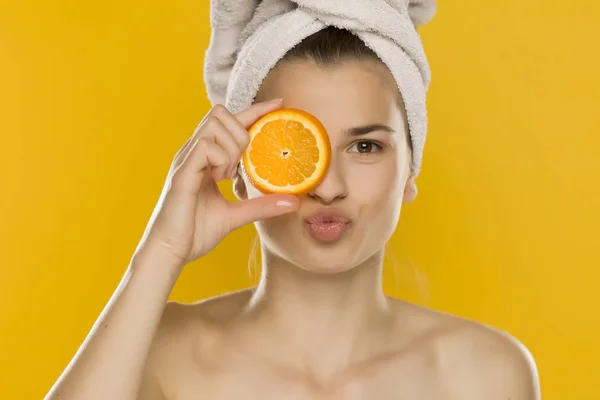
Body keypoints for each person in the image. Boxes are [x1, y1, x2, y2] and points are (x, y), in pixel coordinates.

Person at [45, 6, 541, 400]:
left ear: (410, 170)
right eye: (292, 148)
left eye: (366, 146)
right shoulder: (158, 351)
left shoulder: (486, 375)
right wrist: (161, 251)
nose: (328, 187)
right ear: (240, 170)